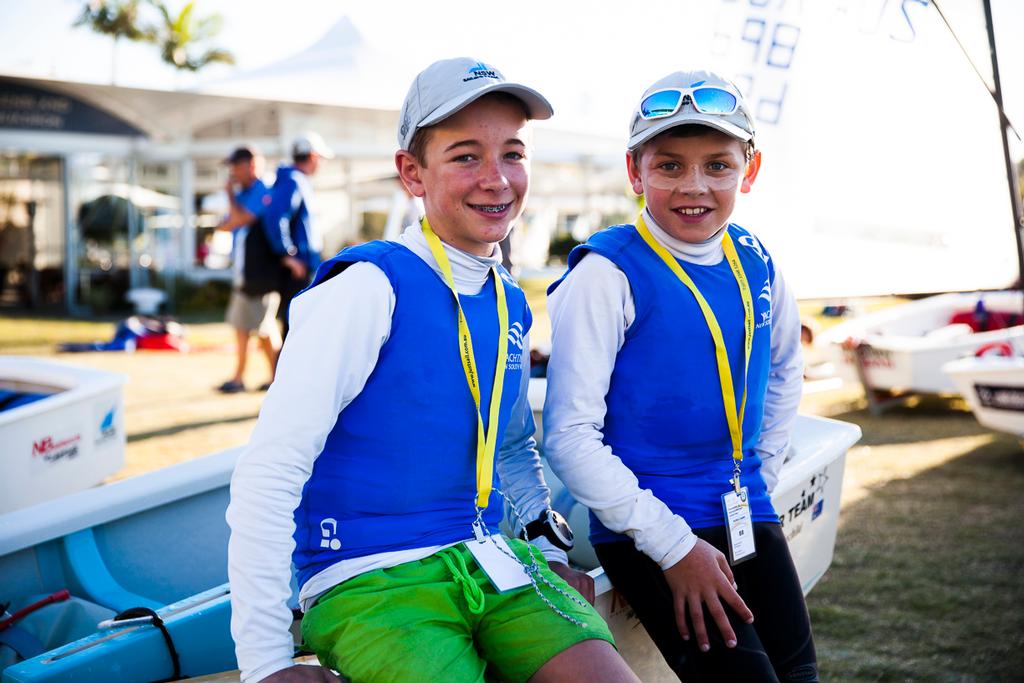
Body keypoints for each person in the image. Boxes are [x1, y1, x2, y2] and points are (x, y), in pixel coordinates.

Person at [226, 57, 639, 683]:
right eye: (466, 156)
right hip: (369, 579)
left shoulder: (508, 300)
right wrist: (264, 665)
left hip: (489, 560)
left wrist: (545, 546)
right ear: (411, 174)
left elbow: (511, 444)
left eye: (513, 153)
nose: (496, 179)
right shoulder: (368, 287)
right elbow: (268, 472)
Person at [544, 70, 811, 682]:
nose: (694, 187)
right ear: (636, 171)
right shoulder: (605, 273)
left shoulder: (757, 259)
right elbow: (569, 437)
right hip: (652, 528)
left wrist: (759, 480)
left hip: (745, 513)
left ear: (750, 168)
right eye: (669, 166)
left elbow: (784, 372)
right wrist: (674, 547)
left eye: (717, 165)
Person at [216, 146, 281, 394]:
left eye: (236, 166)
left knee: (262, 329)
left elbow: (240, 220)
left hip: (261, 275)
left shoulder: (263, 191)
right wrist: (234, 206)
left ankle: (272, 378)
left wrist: (230, 197)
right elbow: (225, 225)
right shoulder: (245, 194)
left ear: (251, 165)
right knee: (249, 327)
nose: (231, 171)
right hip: (246, 275)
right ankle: (247, 377)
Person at [263, 131, 333, 339]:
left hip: (304, 266)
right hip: (297, 269)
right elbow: (275, 217)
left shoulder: (296, 180)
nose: (320, 163)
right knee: (296, 328)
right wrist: (288, 255)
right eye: (320, 158)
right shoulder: (293, 181)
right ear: (312, 156)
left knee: (302, 325)